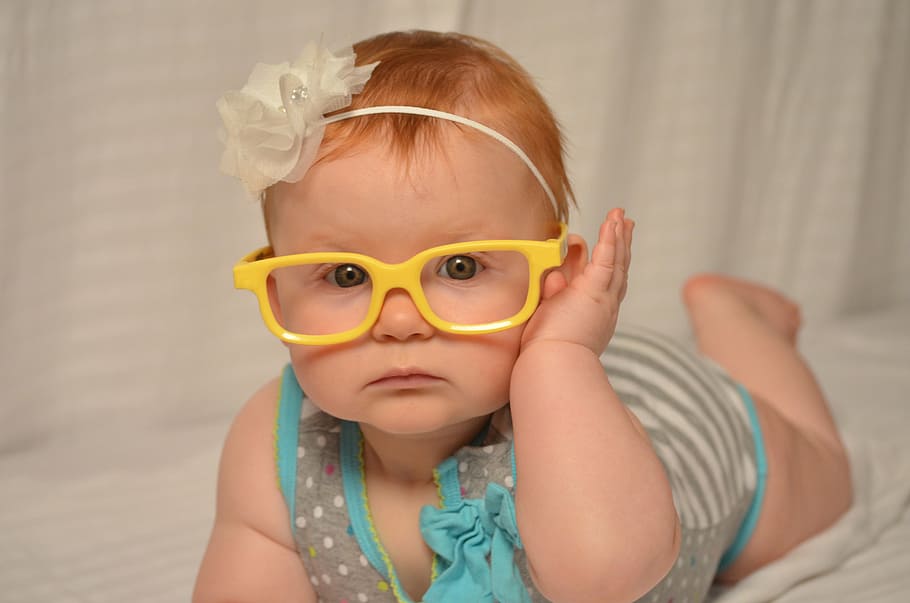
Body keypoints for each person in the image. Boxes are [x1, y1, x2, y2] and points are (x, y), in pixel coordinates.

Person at [193, 30, 852, 603]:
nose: (398, 321)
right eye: (346, 275)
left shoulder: (563, 412)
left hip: (695, 430)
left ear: (553, 281)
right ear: (279, 299)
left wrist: (560, 355)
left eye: (458, 267)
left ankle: (736, 318)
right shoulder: (274, 447)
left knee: (823, 482)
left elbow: (605, 578)